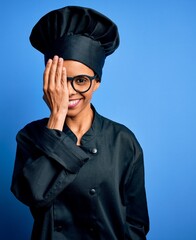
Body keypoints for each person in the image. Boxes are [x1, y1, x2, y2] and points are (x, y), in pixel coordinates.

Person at [11, 6, 149, 240]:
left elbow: (136, 223)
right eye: (61, 81)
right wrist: (56, 118)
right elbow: (32, 195)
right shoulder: (30, 136)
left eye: (81, 80)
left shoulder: (123, 141)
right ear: (49, 82)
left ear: (96, 82)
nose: (71, 91)